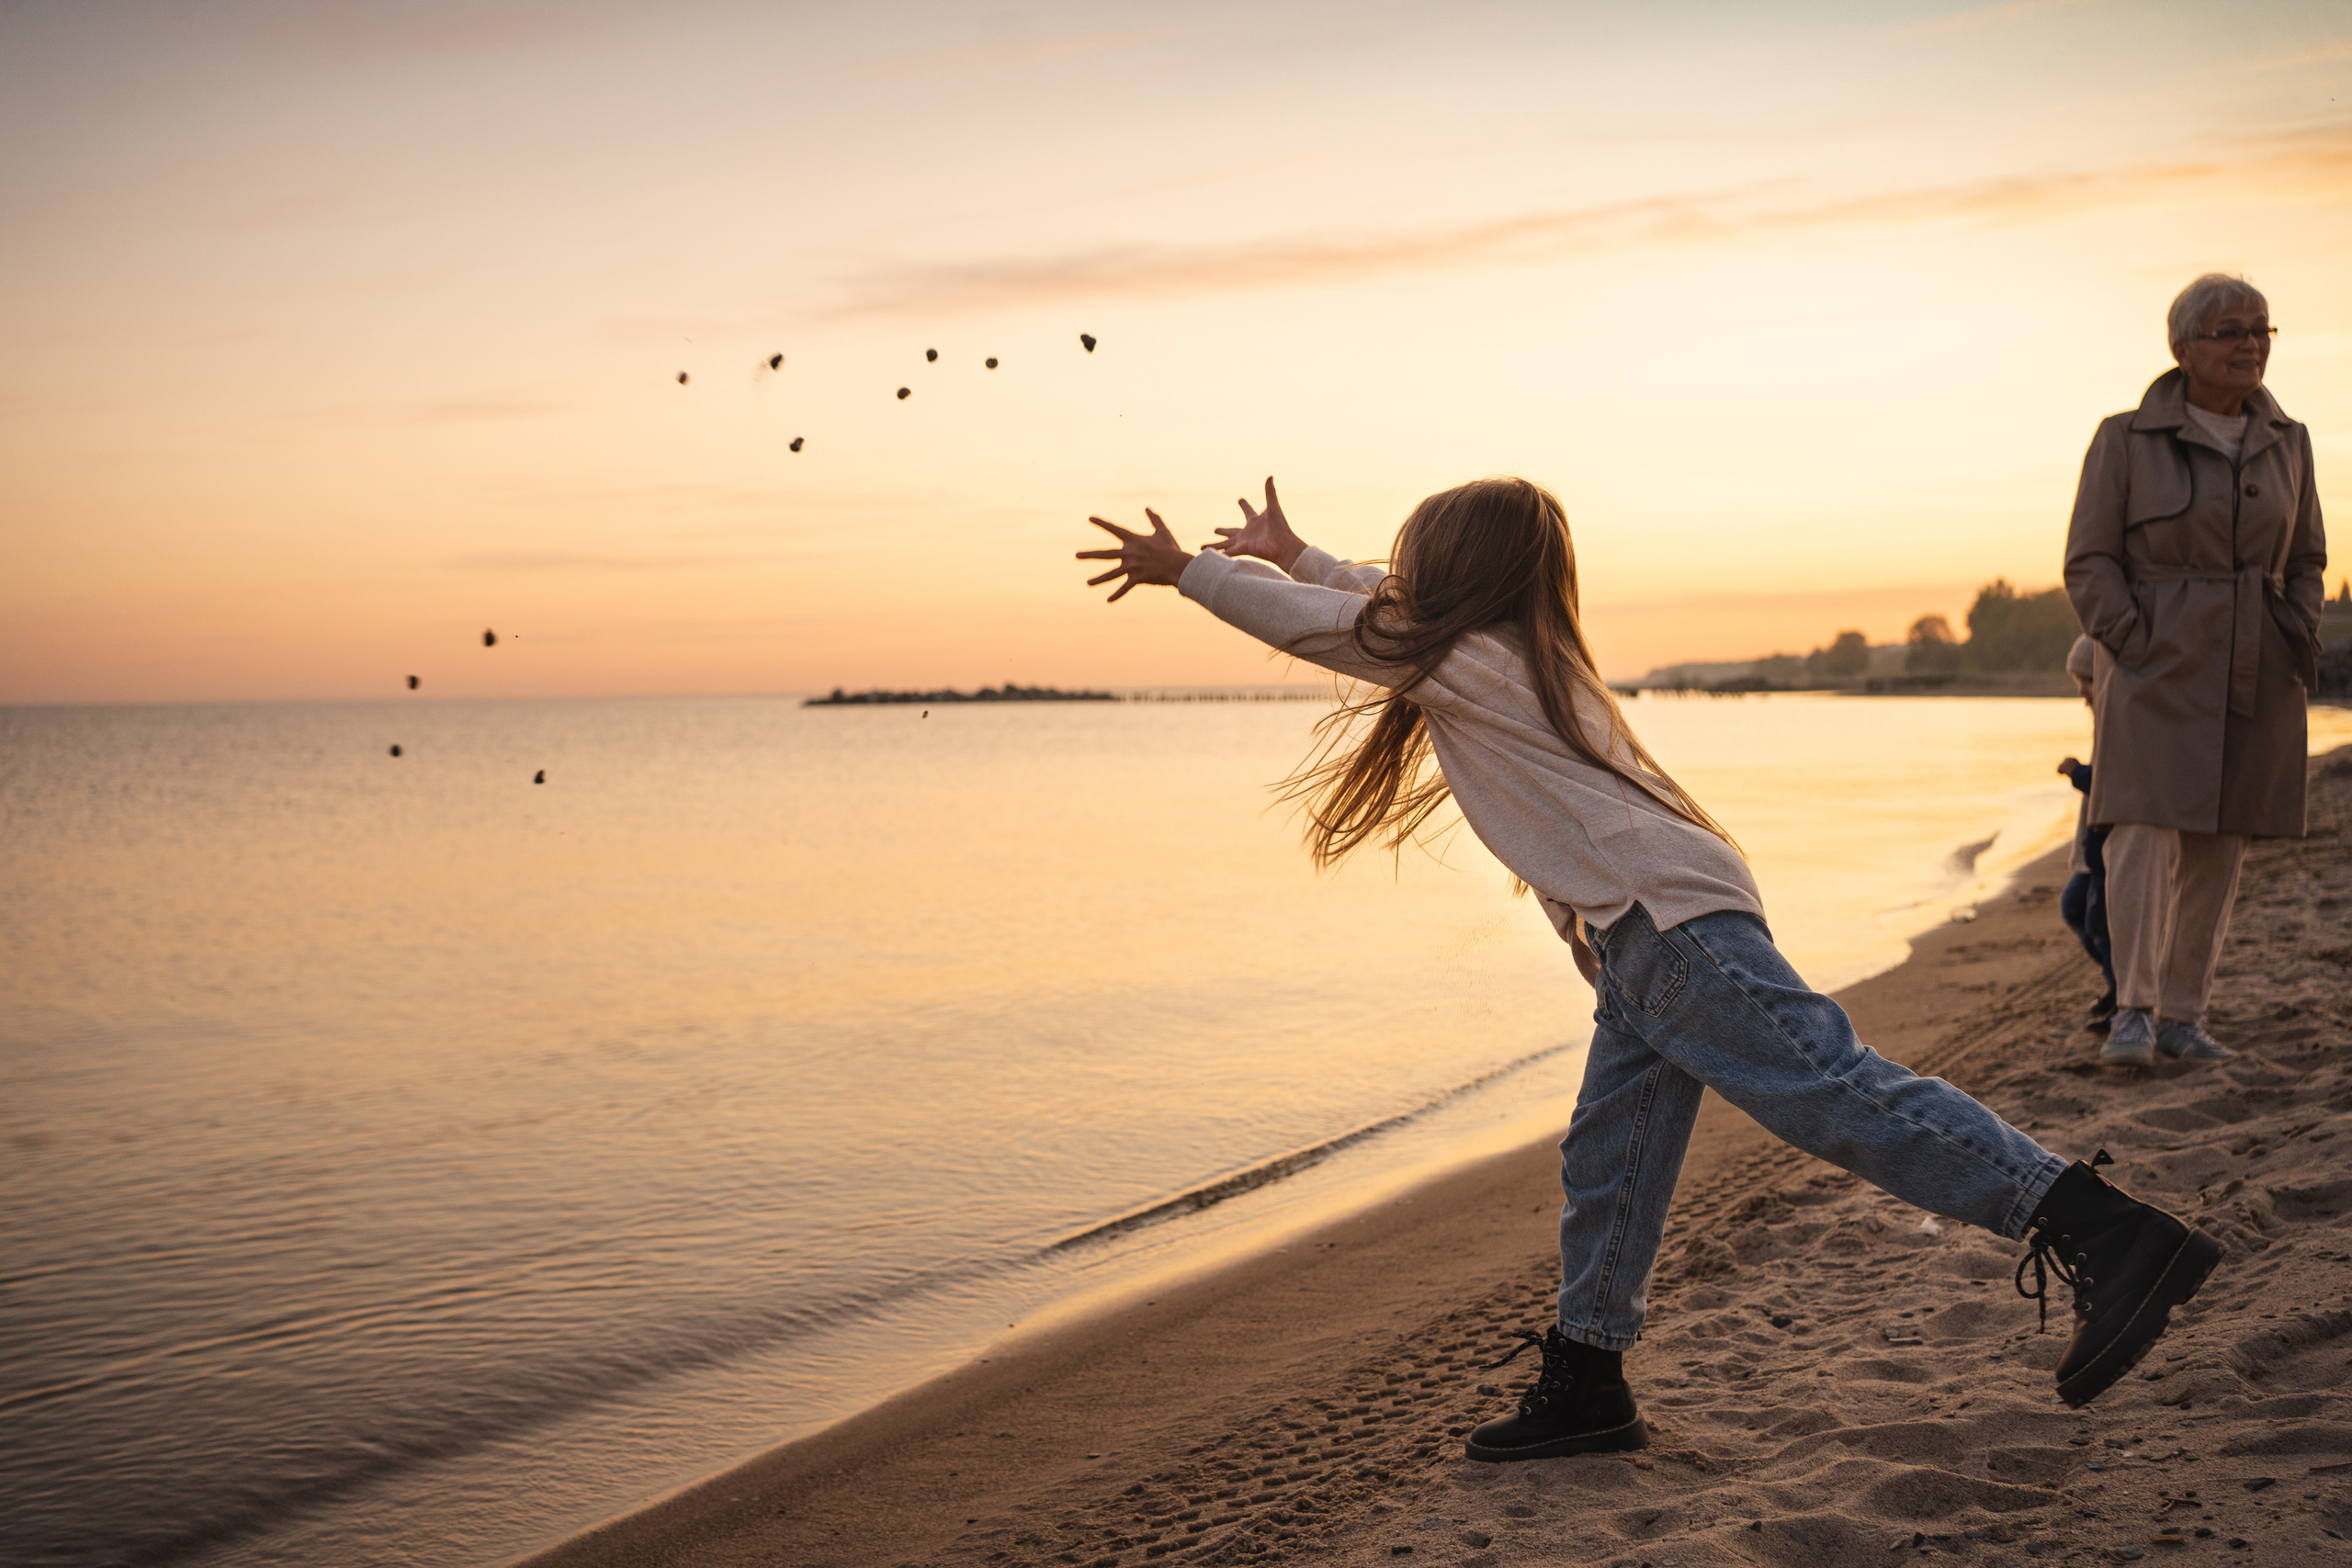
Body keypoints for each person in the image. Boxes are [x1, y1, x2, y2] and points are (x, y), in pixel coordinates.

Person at [1079, 476, 2222, 1455]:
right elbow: (1367, 608)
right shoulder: (1516, 655)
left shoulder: (1466, 661)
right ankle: (1587, 1376)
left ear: (1457, 582)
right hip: (1649, 935)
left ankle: (2096, 1227)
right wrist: (1296, 553)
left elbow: (1326, 627)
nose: (1398, 584)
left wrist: (1193, 573)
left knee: (1838, 1091)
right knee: (1610, 1156)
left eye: (1415, 565)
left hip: (1667, 930)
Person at [2063, 274, 2328, 1068]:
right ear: (2183, 347)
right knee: (2140, 831)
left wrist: (2295, 628)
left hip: (2258, 663)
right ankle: (2133, 1013)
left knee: (2221, 839)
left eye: (2261, 329)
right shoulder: (2124, 438)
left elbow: (2308, 558)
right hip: (2153, 666)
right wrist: (2131, 641)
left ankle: (2184, 1015)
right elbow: (2088, 559)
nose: (2251, 345)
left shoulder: (2291, 440)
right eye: (2231, 331)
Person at [2056, 635, 2117, 1033]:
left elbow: (2113, 783)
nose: (2081, 689)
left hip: (2108, 847)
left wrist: (2077, 772)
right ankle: (2117, 985)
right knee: (2074, 906)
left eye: (2088, 680)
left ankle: (2124, 994)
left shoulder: (2120, 722)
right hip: (2093, 847)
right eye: (2078, 680)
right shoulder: (2103, 720)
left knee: (2101, 925)